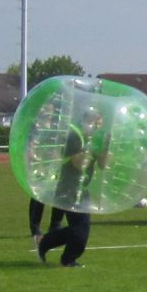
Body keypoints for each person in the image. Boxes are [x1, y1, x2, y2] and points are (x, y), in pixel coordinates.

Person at [34, 109, 105, 267]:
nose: (99, 126)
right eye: (97, 122)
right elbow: (78, 164)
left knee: (79, 229)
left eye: (101, 123)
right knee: (80, 230)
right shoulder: (74, 135)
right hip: (68, 187)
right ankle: (67, 260)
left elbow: (103, 164)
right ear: (88, 120)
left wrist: (104, 147)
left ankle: (45, 243)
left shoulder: (94, 137)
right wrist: (92, 145)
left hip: (81, 188)